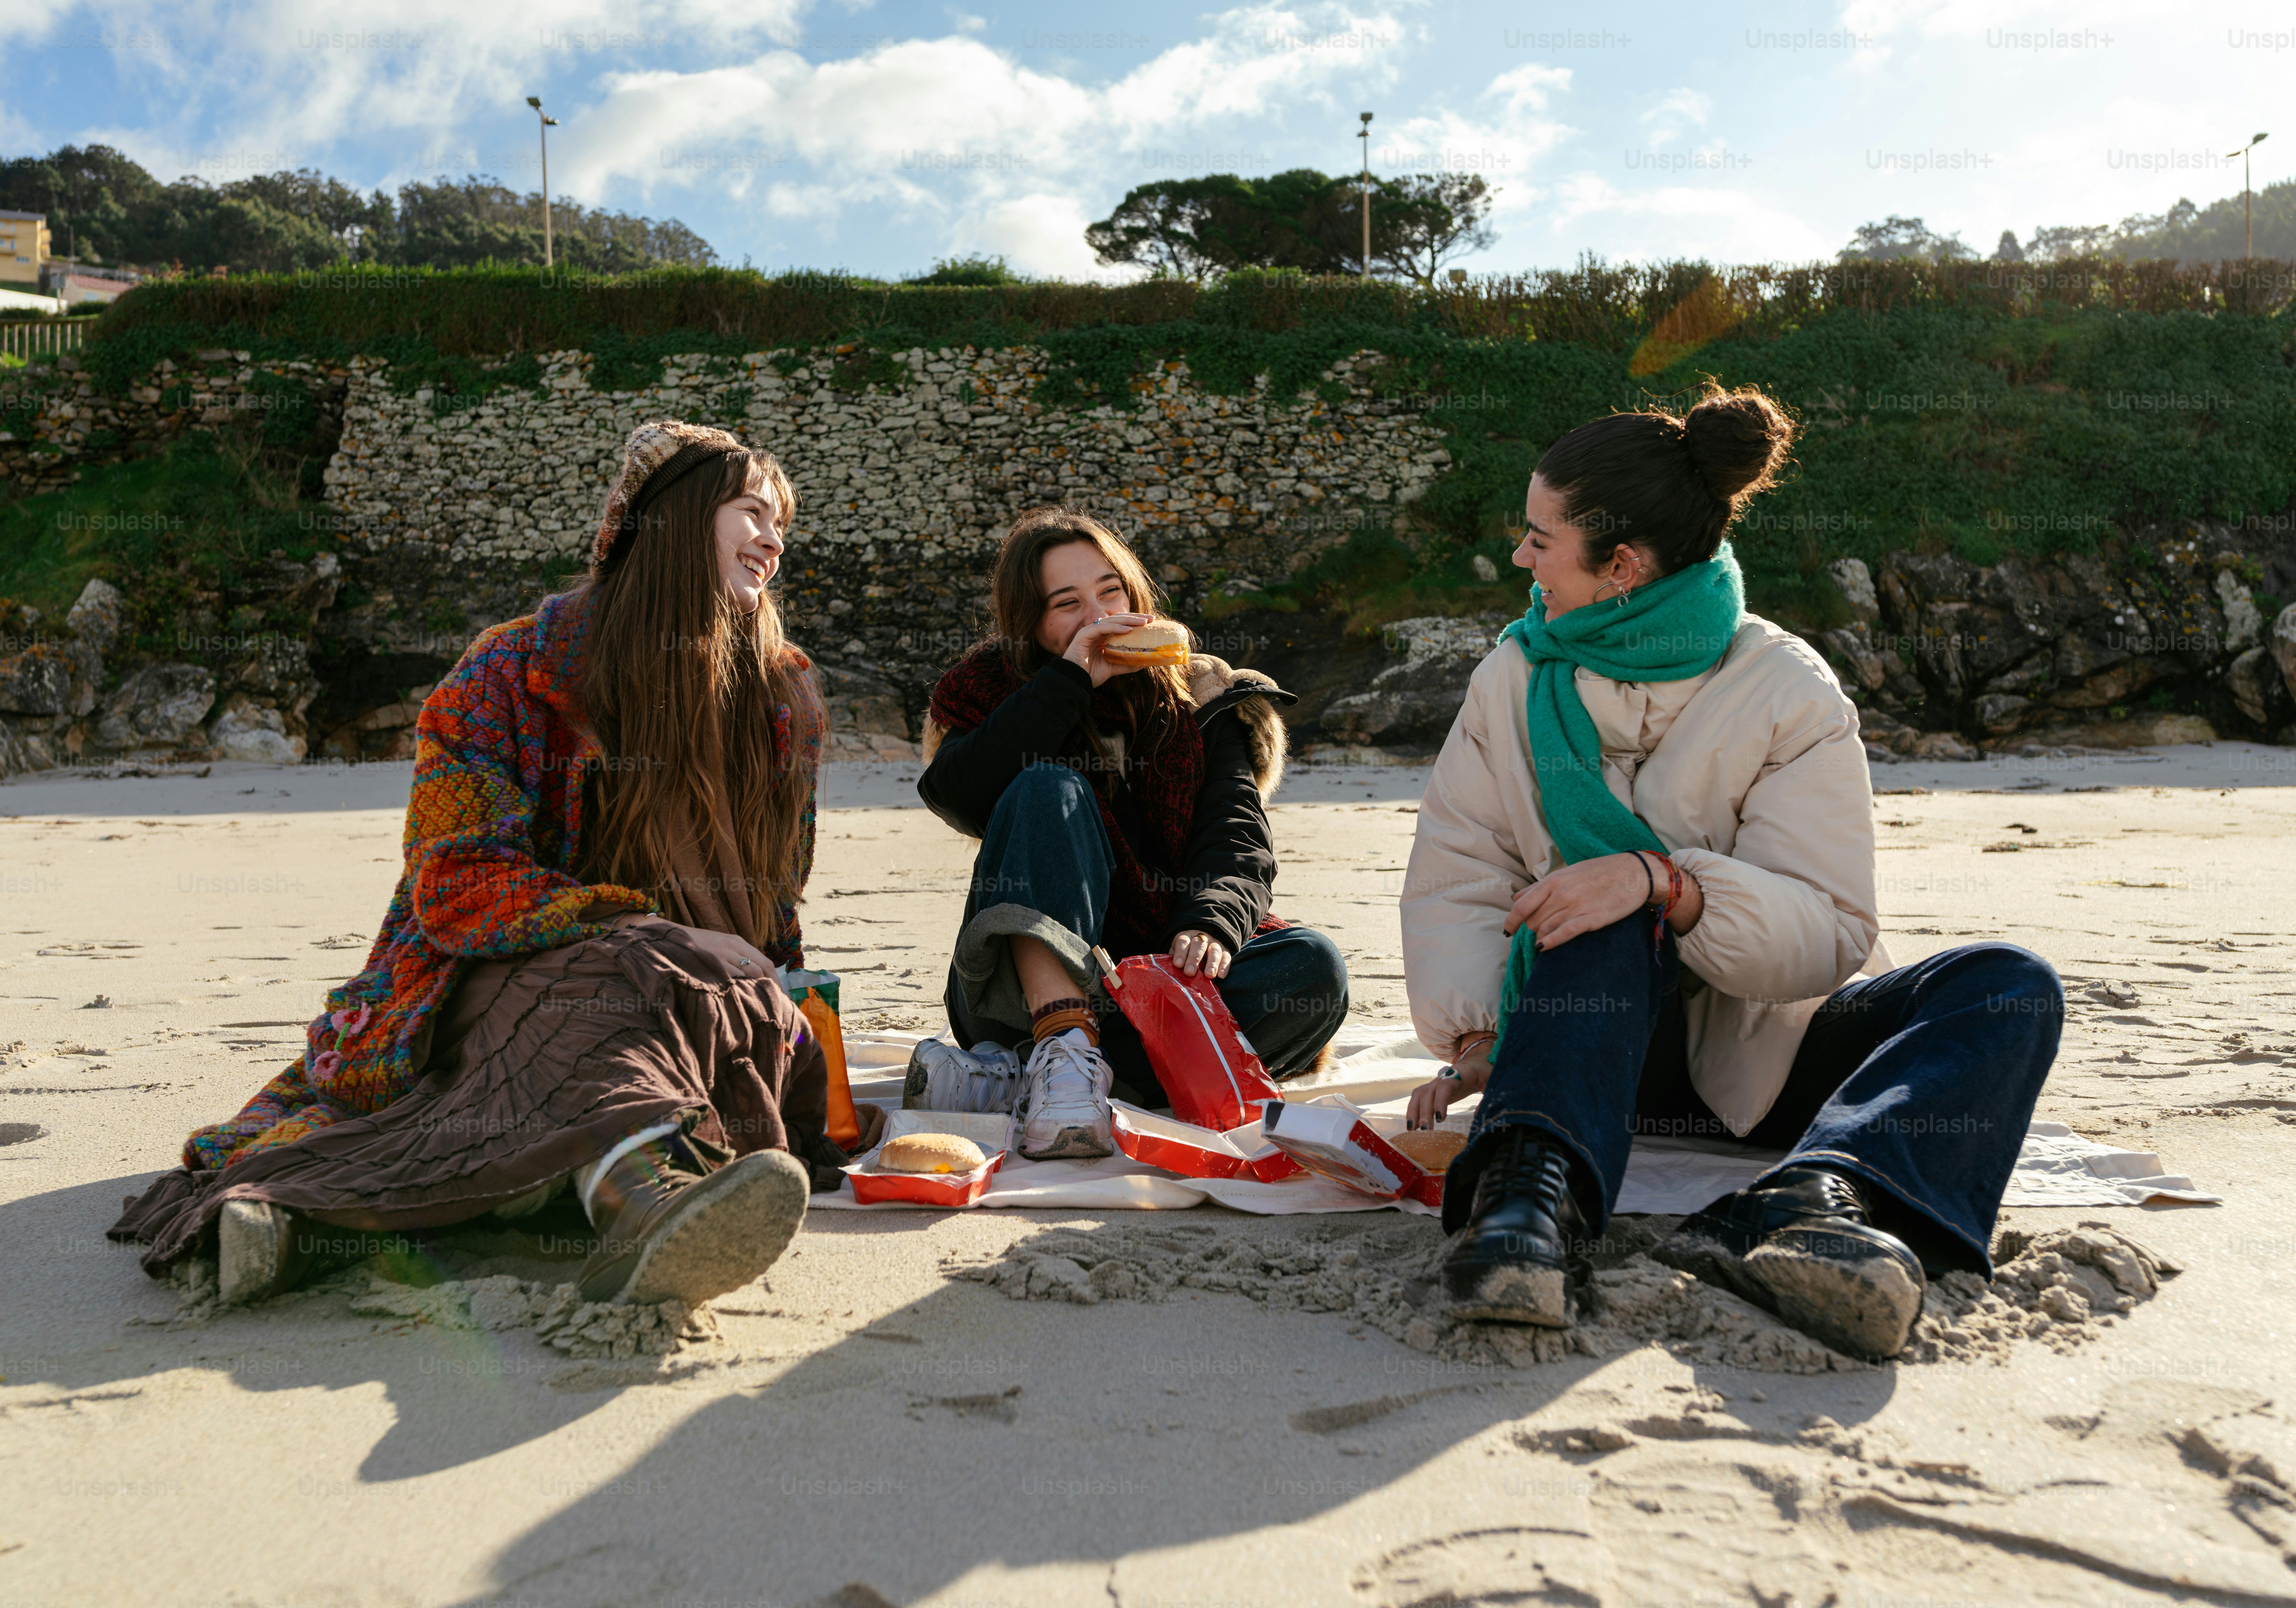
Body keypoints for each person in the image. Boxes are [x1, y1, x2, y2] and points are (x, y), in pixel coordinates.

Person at [111, 420, 876, 1309]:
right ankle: (642, 1203)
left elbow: (776, 906)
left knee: (718, 1025)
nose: (776, 540)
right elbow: (457, 881)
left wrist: (791, 1023)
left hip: (715, 1002)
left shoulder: (783, 693)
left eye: (784, 521)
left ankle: (316, 1227)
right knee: (606, 994)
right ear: (664, 522)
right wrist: (636, 932)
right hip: (498, 984)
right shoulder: (512, 670)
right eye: (752, 510)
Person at [1398, 385, 2062, 1362]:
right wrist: (1480, 1033)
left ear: (1620, 565)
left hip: (1765, 1048)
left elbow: (1831, 929)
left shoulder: (1787, 688)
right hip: (1585, 1045)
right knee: (1602, 907)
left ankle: (1820, 1198)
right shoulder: (1511, 676)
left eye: (1541, 539)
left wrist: (1673, 887)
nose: (1520, 558)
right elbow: (1461, 868)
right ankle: (1527, 1204)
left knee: (2009, 987)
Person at [914, 507, 1348, 1156]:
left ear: (1136, 593)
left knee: (1314, 970)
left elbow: (1236, 832)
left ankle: (1029, 1080)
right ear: (1032, 626)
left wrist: (1211, 921)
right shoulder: (994, 691)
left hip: (1159, 978)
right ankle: (1063, 1048)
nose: (1097, 615)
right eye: (1067, 604)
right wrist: (1069, 682)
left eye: (1110, 591)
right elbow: (957, 794)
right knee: (1045, 786)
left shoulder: (1199, 692)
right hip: (1019, 988)